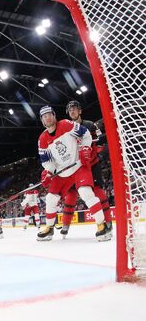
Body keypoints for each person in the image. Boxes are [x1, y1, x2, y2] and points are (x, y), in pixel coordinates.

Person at [37, 106, 110, 241]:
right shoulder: (42, 139)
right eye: (44, 116)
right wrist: (48, 172)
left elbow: (85, 134)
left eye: (49, 115)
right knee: (50, 198)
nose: (47, 118)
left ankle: (102, 225)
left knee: (85, 192)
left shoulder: (65, 124)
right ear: (42, 120)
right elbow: (48, 161)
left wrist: (85, 148)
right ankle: (49, 228)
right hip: (61, 173)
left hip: (78, 166)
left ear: (54, 116)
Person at [58, 100, 113, 238]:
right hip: (73, 168)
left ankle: (107, 223)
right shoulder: (64, 129)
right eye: (70, 110)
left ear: (80, 111)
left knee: (98, 192)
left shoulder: (89, 125)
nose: (72, 111)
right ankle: (65, 226)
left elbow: (102, 142)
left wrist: (99, 156)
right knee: (71, 195)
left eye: (75, 109)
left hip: (91, 165)